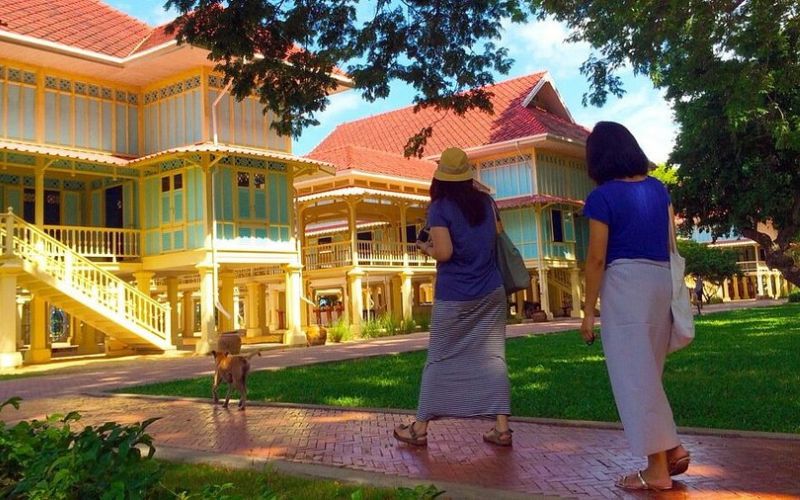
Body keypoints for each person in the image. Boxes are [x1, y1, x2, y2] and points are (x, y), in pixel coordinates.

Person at [580, 122, 691, 491]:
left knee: (634, 376)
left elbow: (596, 259)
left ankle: (658, 470)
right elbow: (671, 243)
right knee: (647, 372)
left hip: (626, 284)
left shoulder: (602, 198)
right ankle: (670, 448)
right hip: (661, 280)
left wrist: (588, 312)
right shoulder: (659, 190)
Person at [393, 147, 512, 447]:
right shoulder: (486, 202)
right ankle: (502, 428)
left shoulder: (440, 208)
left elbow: (444, 252)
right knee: (494, 358)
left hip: (455, 296)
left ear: (440, 178)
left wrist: (426, 248)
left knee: (440, 359)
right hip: (491, 291)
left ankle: (419, 429)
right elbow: (498, 233)